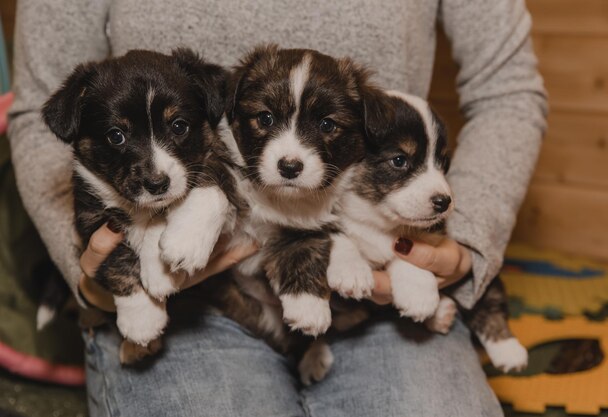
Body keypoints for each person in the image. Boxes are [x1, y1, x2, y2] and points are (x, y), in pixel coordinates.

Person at [8, 0, 547, 416]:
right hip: (184, 305)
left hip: (375, 276)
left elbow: (508, 90)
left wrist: (466, 238)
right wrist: (103, 277)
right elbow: (40, 112)